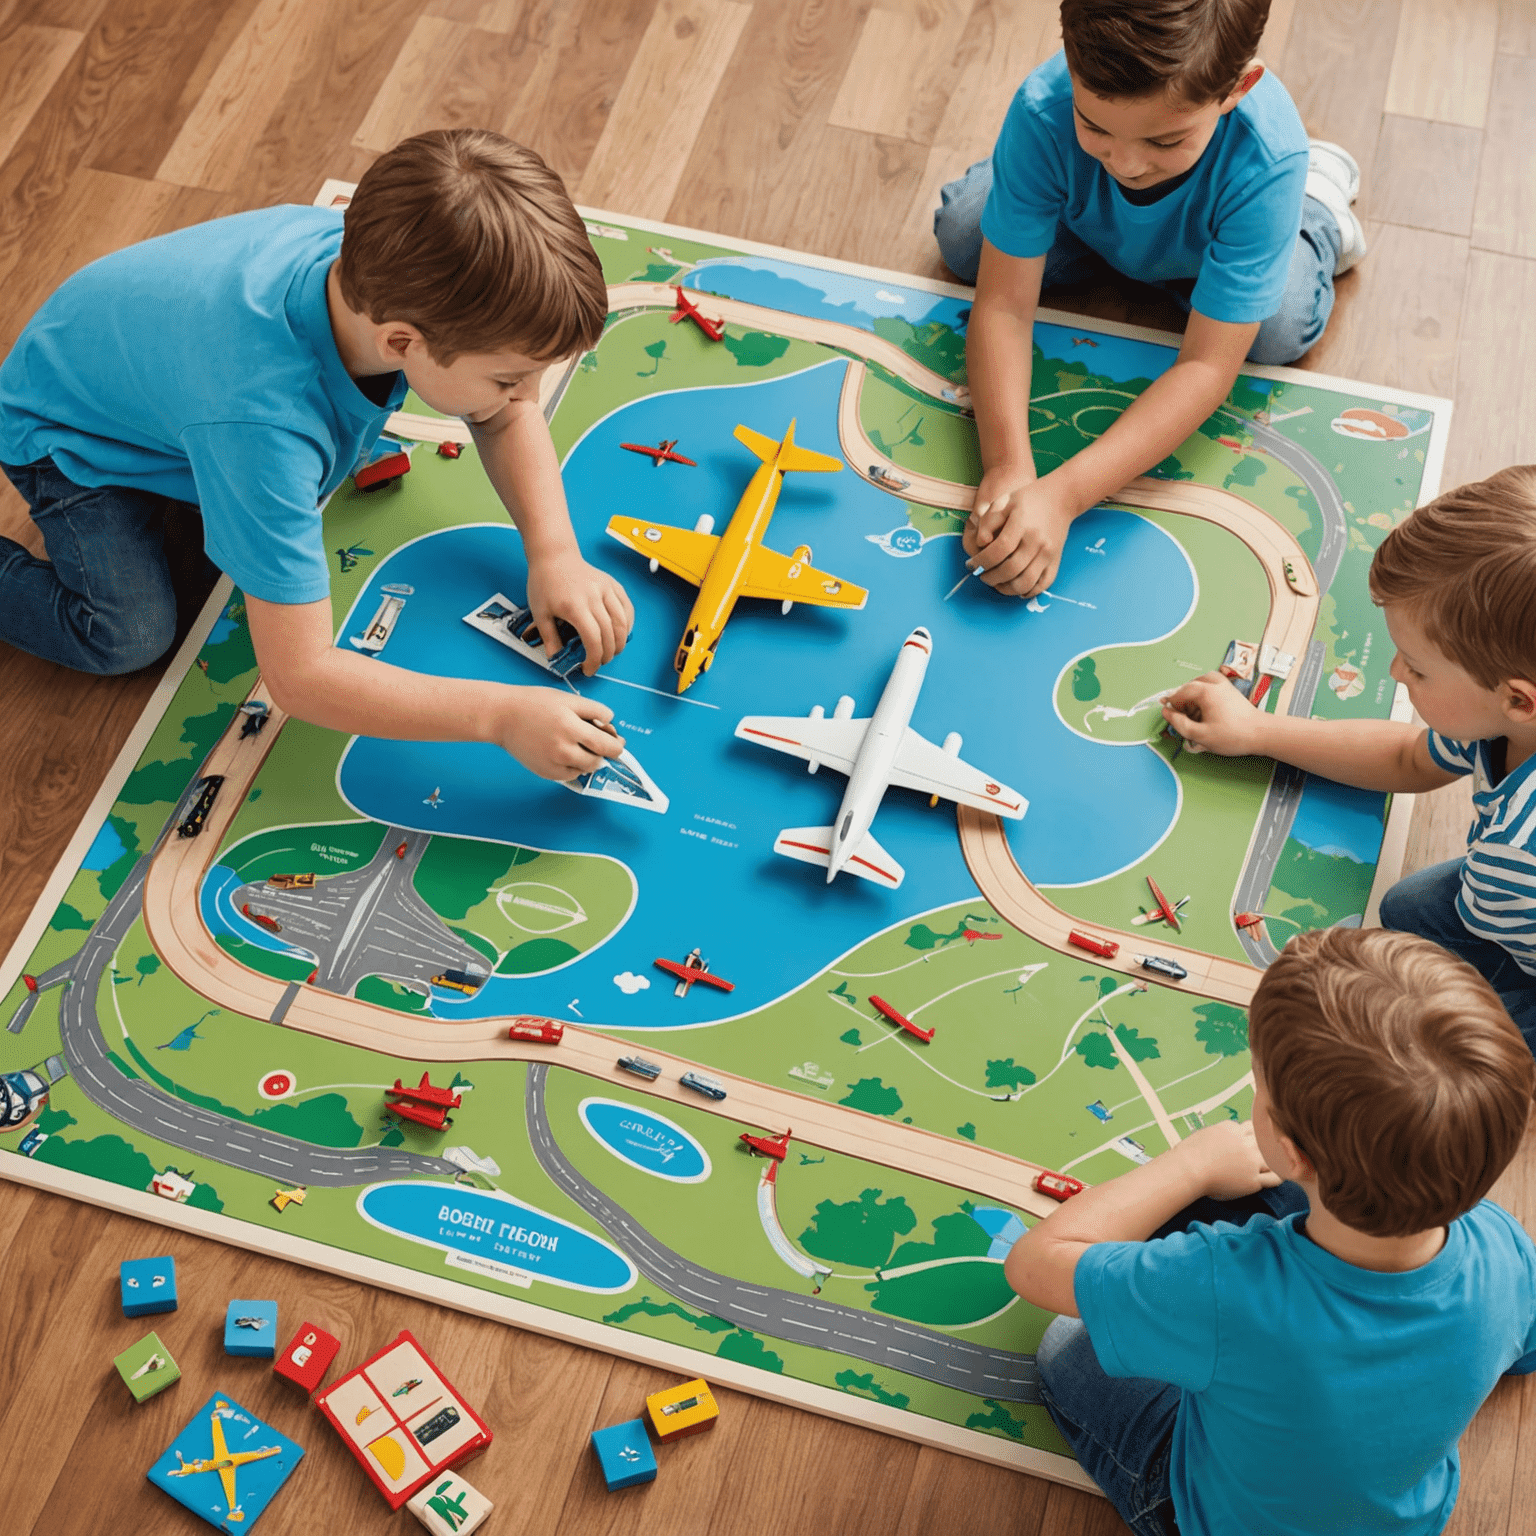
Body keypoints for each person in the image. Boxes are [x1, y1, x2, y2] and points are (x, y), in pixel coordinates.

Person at [0, 128, 631, 784]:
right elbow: (300, 677)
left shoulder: (386, 267)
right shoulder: (264, 428)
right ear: (400, 340)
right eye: (508, 378)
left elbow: (504, 415)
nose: (524, 397)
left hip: (162, 385)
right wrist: (500, 717)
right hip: (69, 441)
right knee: (128, 637)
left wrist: (555, 552)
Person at [1007, 927, 1536, 1536]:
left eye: (1260, 1086)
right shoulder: (1507, 1250)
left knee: (1065, 1347)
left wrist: (1194, 1163)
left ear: (1292, 1151)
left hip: (1213, 1515)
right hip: (1402, 1518)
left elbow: (1035, 1263)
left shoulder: (1225, 1287)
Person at [933, 0, 1366, 599]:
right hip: (1087, 216)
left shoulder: (1266, 155)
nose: (1130, 163)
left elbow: (1206, 364)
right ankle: (1033, 176)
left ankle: (1316, 208)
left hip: (1211, 243)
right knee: (963, 235)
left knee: (1276, 332)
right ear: (1072, 63)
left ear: (1239, 88)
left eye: (1166, 139)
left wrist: (1063, 495)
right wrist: (1007, 465)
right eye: (1096, 126)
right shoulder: (1045, 105)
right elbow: (1003, 306)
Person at [1161, 467, 1536, 1045]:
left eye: (1416, 667)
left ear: (1517, 699)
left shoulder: (1512, 862)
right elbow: (1412, 758)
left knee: (1421, 1049)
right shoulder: (1502, 719)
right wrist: (1257, 731)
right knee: (1408, 911)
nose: (1394, 671)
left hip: (1516, 899)